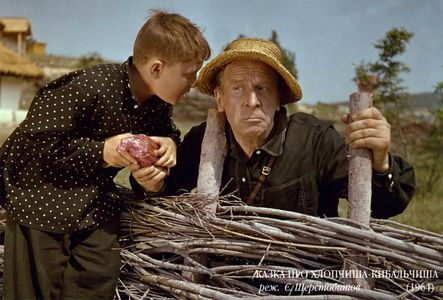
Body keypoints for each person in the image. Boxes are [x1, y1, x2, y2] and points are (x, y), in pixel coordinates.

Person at [0, 10, 210, 300]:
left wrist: (167, 147)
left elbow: (167, 132)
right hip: (40, 204)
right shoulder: (84, 88)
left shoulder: (158, 105)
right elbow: (29, 150)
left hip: (94, 209)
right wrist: (102, 152)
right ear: (157, 69)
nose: (194, 82)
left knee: (97, 281)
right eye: (189, 74)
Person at [142, 37, 415, 219]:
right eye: (238, 89)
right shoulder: (202, 140)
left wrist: (381, 163)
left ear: (279, 99)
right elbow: (162, 190)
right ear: (220, 99)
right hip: (222, 282)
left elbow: (385, 206)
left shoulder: (315, 141)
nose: (252, 101)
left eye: (262, 89)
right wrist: (150, 178)